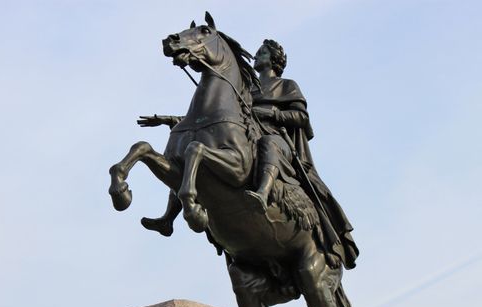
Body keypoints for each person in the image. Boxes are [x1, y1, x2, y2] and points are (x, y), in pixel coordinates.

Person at [138, 39, 358, 269]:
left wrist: (273, 113)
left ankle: (262, 193)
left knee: (268, 143)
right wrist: (169, 120)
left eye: (263, 52)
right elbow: (218, 118)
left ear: (274, 59)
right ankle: (168, 218)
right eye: (259, 51)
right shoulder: (246, 88)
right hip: (245, 135)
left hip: (275, 138)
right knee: (191, 148)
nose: (258, 55)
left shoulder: (286, 85)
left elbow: (301, 117)